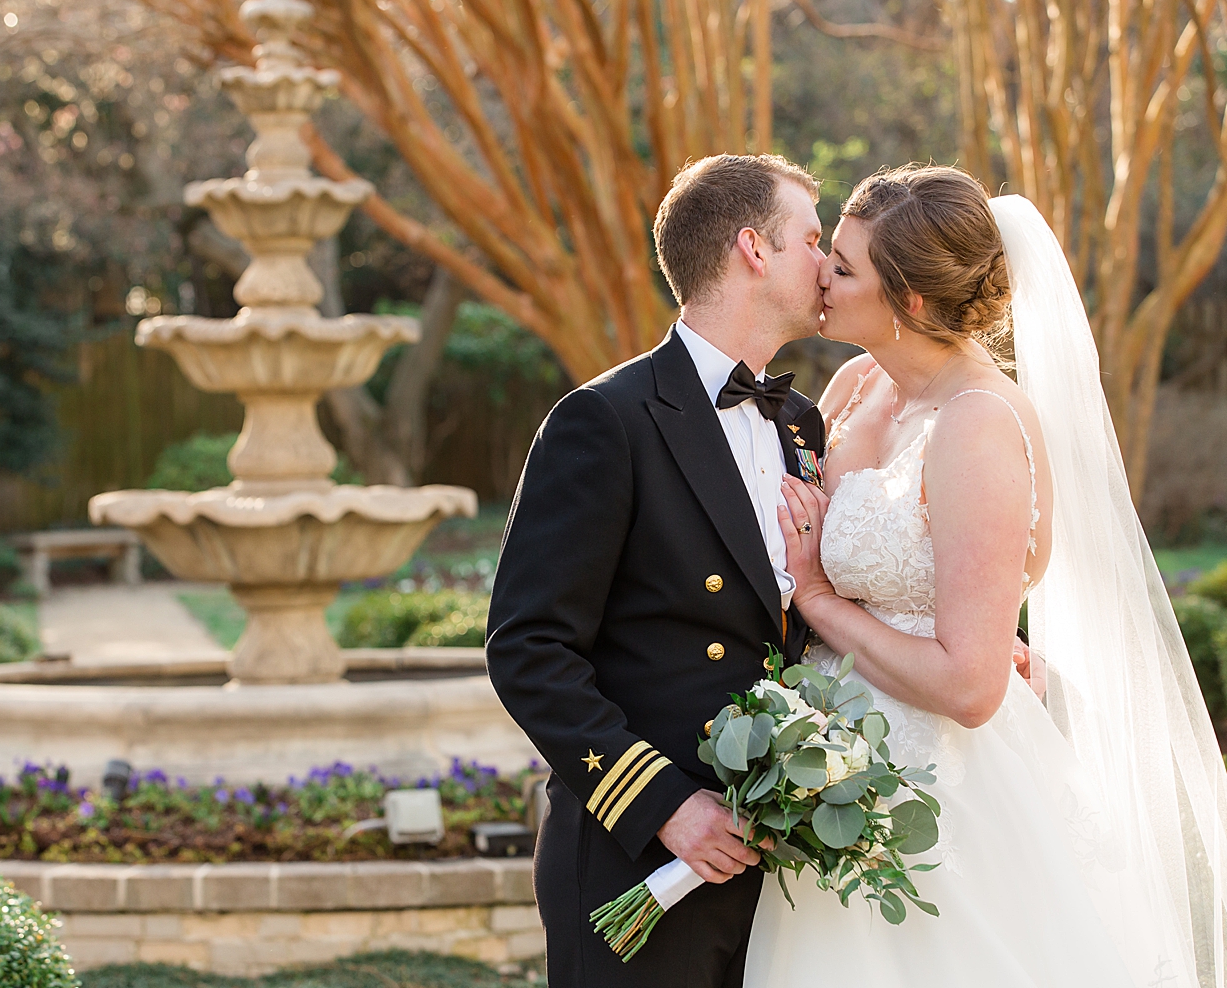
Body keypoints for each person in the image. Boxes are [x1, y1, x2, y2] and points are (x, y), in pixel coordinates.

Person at [747, 164, 1227, 986]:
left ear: (914, 303)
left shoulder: (978, 426)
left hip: (941, 794)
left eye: (847, 265)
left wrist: (820, 600)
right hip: (827, 767)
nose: (823, 271)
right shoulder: (859, 385)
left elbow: (971, 684)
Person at [486, 152, 829, 987]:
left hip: (783, 859)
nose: (830, 264)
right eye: (813, 240)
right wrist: (665, 807)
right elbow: (529, 647)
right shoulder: (604, 419)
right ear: (754, 249)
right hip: (640, 861)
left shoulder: (803, 426)